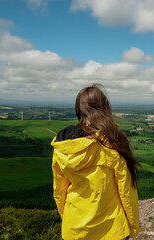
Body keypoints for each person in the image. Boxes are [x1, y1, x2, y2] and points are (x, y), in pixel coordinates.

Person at [51, 84, 140, 240]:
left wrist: (69, 219)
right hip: (112, 230)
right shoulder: (112, 144)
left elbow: (59, 191)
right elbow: (126, 192)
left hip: (74, 229)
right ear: (105, 108)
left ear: (78, 110)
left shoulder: (62, 147)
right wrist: (133, 227)